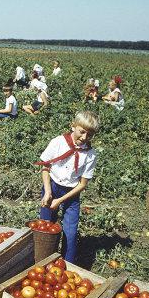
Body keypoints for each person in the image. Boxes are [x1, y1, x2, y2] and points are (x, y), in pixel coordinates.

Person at [35, 111, 99, 262]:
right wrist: (48, 192)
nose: (84, 138)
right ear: (73, 126)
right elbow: (45, 166)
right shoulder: (58, 142)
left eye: (89, 135)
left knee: (70, 232)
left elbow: (82, 184)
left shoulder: (90, 154)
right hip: (52, 186)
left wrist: (60, 200)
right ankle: (43, 257)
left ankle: (67, 264)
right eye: (82, 132)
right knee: (46, 225)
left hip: (71, 193)